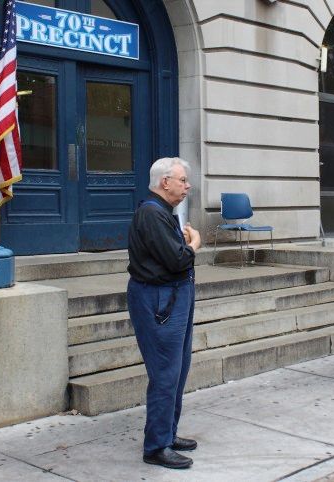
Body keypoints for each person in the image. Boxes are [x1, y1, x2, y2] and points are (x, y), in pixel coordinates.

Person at [127, 157, 202, 469]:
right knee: (166, 374)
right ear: (164, 182)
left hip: (173, 297)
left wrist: (183, 246)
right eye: (182, 180)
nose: (187, 186)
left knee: (178, 370)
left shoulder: (163, 213)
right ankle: (156, 446)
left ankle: (167, 433)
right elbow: (177, 261)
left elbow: (173, 257)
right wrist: (195, 243)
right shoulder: (151, 214)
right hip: (159, 300)